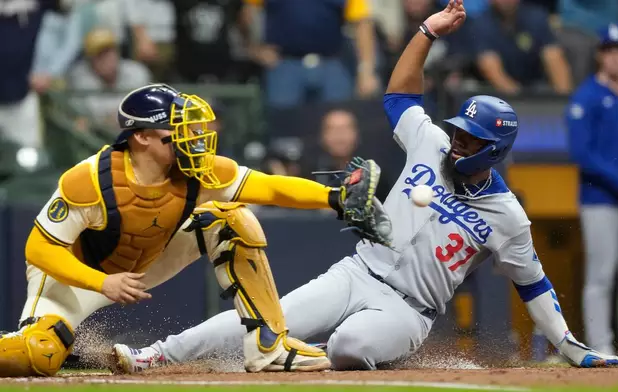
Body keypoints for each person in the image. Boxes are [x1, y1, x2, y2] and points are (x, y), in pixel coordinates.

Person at [113, 1, 618, 372]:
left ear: (494, 150)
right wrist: (425, 33)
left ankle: (302, 355)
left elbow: (533, 283)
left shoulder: (507, 215)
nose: (457, 143)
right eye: (458, 133)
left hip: (409, 311)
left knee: (348, 346)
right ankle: (156, 354)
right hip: (359, 270)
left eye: (471, 141)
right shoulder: (432, 144)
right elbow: (398, 96)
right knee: (266, 314)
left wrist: (567, 344)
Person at [0, 83, 391, 377]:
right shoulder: (88, 179)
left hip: (144, 263)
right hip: (74, 276)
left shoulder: (197, 170)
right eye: (177, 128)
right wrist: (102, 283)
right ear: (142, 137)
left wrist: (335, 198)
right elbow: (38, 250)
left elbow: (269, 186)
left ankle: (268, 347)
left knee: (232, 218)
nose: (192, 136)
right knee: (38, 355)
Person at [567, 23, 618, 362]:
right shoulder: (587, 96)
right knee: (601, 274)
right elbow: (582, 153)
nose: (616, 57)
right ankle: (600, 347)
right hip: (601, 199)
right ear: (601, 55)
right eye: (610, 50)